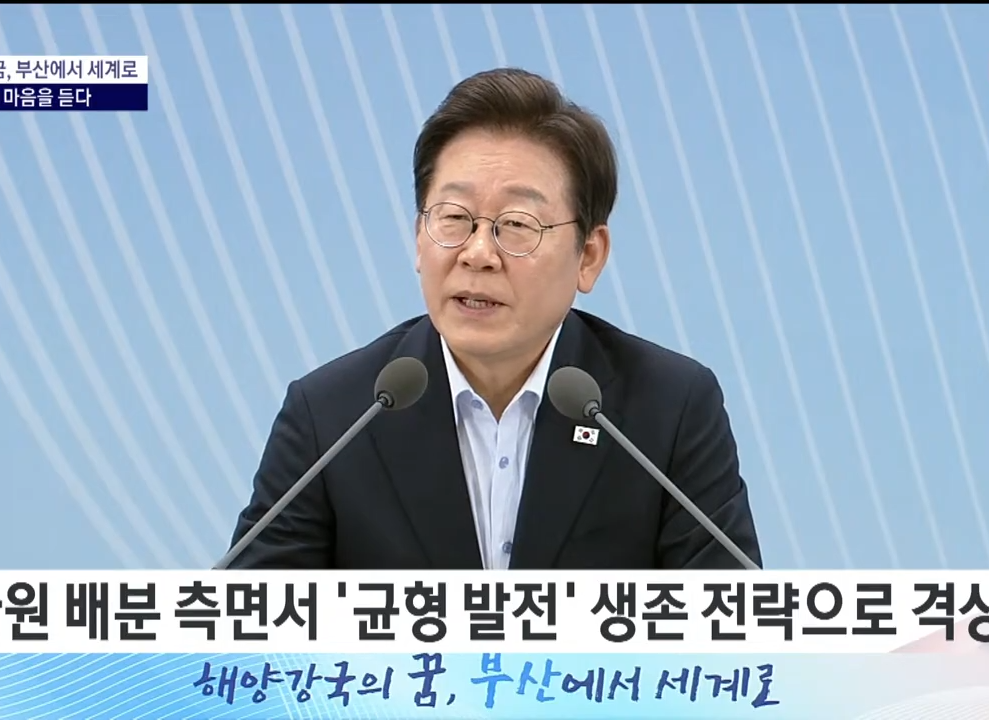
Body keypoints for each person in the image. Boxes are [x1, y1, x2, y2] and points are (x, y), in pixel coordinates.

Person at [227, 67, 762, 570]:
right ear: (418, 238)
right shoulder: (331, 418)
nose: (479, 253)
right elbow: (250, 622)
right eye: (454, 218)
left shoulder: (669, 411)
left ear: (589, 255)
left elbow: (730, 620)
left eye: (517, 224)